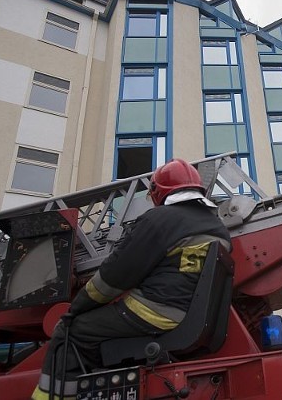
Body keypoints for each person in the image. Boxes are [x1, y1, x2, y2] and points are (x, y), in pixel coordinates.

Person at [31, 159, 231, 400]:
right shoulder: (218, 227)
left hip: (152, 313)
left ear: (159, 192)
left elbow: (113, 279)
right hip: (187, 316)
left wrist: (76, 309)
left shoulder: (159, 219)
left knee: (71, 332)